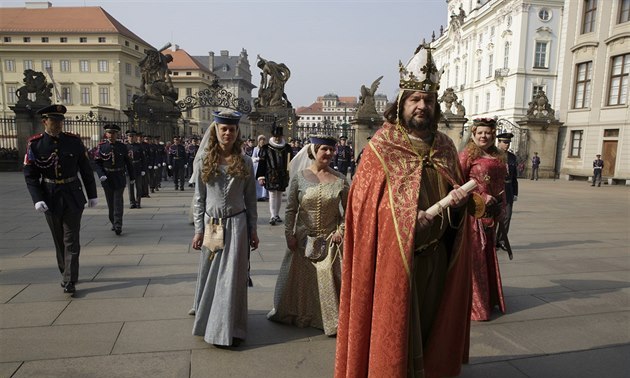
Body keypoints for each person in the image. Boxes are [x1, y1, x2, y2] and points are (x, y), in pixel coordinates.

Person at [335, 45, 472, 377]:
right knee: (396, 330)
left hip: (438, 255)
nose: (422, 106)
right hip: (395, 260)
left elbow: (456, 192)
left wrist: (459, 204)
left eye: (428, 100)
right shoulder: (382, 146)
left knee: (431, 325)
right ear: (402, 103)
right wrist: (406, 219)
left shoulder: (445, 146)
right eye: (414, 99)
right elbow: (363, 207)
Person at [267, 135, 349, 336]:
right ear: (314, 151)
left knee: (326, 278)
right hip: (303, 239)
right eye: (324, 149)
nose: (329, 153)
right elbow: (290, 209)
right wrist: (289, 234)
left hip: (331, 240)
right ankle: (300, 313)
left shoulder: (340, 179)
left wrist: (341, 231)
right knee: (302, 280)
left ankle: (328, 319)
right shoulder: (300, 177)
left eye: (332, 149)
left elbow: (349, 212)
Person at [190, 110, 259, 347]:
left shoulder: (246, 161)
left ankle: (230, 328)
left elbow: (251, 199)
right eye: (224, 129)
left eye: (232, 129)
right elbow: (199, 198)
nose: (228, 133)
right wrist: (199, 229)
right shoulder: (204, 161)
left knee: (233, 276)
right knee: (210, 273)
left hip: (237, 224)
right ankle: (208, 318)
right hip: (213, 226)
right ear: (216, 130)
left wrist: (253, 229)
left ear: (238, 132)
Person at [23, 104, 98, 294]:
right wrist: (37, 198)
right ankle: (66, 271)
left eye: (60, 121)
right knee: (59, 240)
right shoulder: (35, 144)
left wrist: (92, 194)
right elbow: (30, 175)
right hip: (50, 195)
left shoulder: (74, 141)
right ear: (44, 122)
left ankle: (70, 279)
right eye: (53, 121)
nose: (57, 124)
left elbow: (85, 169)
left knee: (71, 239)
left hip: (73, 193)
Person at [459, 118, 507, 321]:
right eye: (479, 133)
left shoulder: (498, 156)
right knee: (475, 257)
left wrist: (501, 206)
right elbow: (455, 184)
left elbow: (501, 182)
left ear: (493, 134)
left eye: (487, 133)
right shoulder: (466, 156)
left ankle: (488, 298)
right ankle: (475, 305)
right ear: (473, 134)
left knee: (487, 254)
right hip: (472, 215)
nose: (483, 136)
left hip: (492, 214)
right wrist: (479, 196)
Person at [94, 124, 135, 235]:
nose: (111, 135)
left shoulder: (122, 147)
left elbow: (128, 162)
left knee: (118, 201)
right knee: (110, 202)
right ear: (106, 134)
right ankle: (113, 221)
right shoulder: (102, 147)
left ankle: (118, 224)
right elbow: (97, 163)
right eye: (109, 133)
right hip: (107, 178)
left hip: (119, 176)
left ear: (117, 134)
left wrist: (132, 177)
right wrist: (101, 174)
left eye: (114, 133)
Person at [256, 123, 293, 225]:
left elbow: (291, 162)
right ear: (272, 136)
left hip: (282, 174)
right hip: (270, 174)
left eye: (279, 137)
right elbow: (261, 164)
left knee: (279, 194)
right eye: (275, 137)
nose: (277, 139)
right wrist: (260, 176)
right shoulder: (266, 148)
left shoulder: (287, 147)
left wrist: (289, 172)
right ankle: (272, 215)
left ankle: (276, 214)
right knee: (272, 194)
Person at [496, 132, 518, 250]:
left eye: (508, 143)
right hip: (496, 189)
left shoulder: (512, 157)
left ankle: (501, 241)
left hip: (508, 190)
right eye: (504, 142)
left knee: (507, 216)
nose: (507, 145)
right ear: (498, 142)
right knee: (493, 217)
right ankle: (491, 241)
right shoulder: (492, 155)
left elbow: (514, 177)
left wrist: (515, 193)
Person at [125, 130, 145, 209]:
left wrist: (143, 169)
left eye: (133, 136)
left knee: (139, 187)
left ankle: (138, 202)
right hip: (129, 169)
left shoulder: (139, 146)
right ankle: (132, 202)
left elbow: (143, 159)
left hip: (137, 168)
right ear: (128, 137)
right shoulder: (125, 147)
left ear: (135, 137)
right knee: (130, 187)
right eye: (130, 136)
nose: (131, 138)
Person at [252, 134, 269, 201]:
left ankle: (263, 195)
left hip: (264, 166)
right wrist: (258, 159)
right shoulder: (256, 149)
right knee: (257, 181)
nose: (262, 141)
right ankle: (258, 195)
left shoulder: (266, 149)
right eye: (261, 140)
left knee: (264, 180)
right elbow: (253, 157)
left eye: (263, 140)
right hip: (257, 167)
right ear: (258, 141)